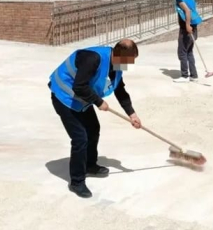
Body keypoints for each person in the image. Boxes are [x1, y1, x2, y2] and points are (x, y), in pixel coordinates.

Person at [48, 39, 143, 198]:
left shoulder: (116, 65)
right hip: (64, 97)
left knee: (93, 129)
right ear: (118, 55)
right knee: (80, 138)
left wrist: (132, 114)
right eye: (129, 61)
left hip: (81, 99)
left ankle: (90, 165)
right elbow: (79, 86)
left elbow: (120, 90)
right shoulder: (93, 58)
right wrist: (99, 102)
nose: (130, 65)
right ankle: (77, 181)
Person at [173, 0, 203, 83]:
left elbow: (187, 11)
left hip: (186, 29)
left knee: (182, 52)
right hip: (194, 27)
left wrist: (187, 25)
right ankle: (194, 75)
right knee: (189, 52)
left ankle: (184, 75)